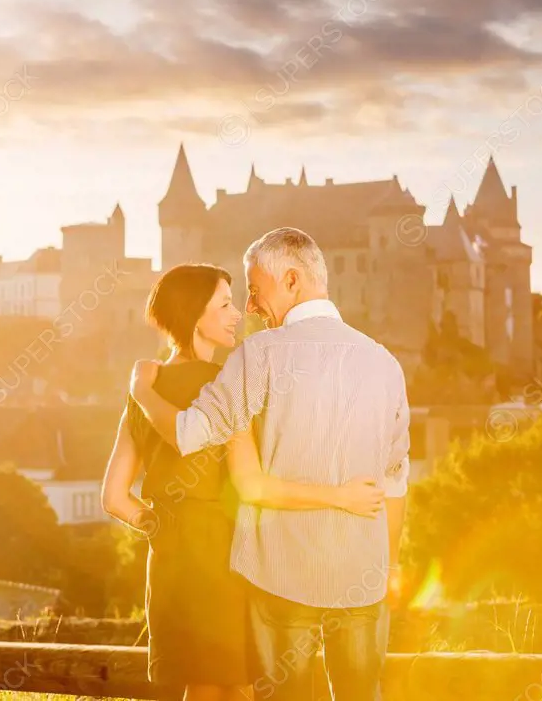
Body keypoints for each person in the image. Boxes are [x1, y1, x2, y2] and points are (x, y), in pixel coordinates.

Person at [129, 229, 411, 701]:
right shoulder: (384, 363)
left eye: (256, 291)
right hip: (362, 575)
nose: (253, 307)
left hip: (282, 576)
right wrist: (390, 564)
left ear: (293, 280)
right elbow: (395, 480)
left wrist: (140, 392)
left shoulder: (258, 355)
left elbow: (187, 434)